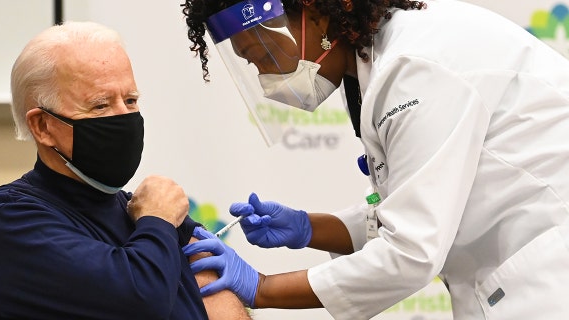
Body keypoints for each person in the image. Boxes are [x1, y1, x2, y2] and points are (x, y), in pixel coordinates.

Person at [180, 0, 569, 319]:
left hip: (547, 278)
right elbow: (418, 210)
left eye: (259, 54)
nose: (264, 75)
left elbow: (411, 251)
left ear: (315, 16)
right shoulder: (378, 63)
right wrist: (307, 228)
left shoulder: (410, 68)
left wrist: (262, 288)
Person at [0, 21, 250, 320]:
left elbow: (220, 300)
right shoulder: (7, 219)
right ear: (43, 126)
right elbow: (140, 302)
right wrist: (160, 221)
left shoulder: (139, 210)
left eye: (130, 100)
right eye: (100, 106)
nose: (124, 118)